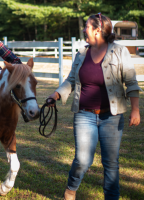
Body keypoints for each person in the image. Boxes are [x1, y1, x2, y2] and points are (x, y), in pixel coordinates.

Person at [47, 13, 142, 200]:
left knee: (111, 163)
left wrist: (136, 110)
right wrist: (57, 94)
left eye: (87, 26)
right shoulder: (82, 53)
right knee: (82, 160)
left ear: (98, 30)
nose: (84, 29)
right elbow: (71, 79)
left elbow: (131, 82)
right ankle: (71, 189)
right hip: (84, 115)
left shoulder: (119, 52)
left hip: (112, 116)